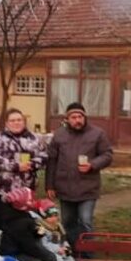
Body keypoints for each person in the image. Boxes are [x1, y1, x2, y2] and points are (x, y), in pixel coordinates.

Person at [46, 102, 113, 248]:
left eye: (80, 116)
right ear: (67, 119)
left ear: (85, 117)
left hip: (88, 187)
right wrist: (49, 185)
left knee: (85, 221)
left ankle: (87, 254)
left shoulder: (97, 133)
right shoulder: (59, 135)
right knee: (68, 222)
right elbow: (52, 160)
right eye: (73, 117)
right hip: (65, 187)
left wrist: (92, 164)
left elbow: (107, 155)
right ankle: (71, 252)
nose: (77, 120)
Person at [0, 108, 48, 253]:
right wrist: (16, 166)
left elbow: (44, 156)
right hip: (1, 190)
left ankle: (20, 253)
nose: (16, 123)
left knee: (22, 223)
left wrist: (31, 164)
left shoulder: (34, 138)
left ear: (24, 121)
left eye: (19, 120)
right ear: (7, 123)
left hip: (25, 192)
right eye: (12, 120)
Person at [0, 188, 60, 261]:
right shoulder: (17, 223)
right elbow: (28, 246)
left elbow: (35, 232)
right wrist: (44, 255)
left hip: (24, 250)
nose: (33, 202)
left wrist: (38, 231)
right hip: (13, 254)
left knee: (51, 258)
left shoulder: (24, 215)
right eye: (31, 200)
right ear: (24, 205)